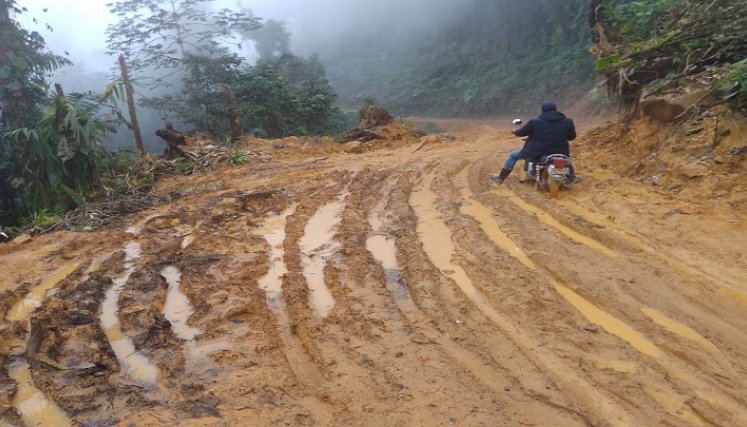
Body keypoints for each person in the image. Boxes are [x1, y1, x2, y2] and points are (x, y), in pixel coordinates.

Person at [491, 101, 576, 184]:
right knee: (565, 160)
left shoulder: (535, 122)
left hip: (537, 152)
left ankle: (500, 178)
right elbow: (572, 137)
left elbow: (521, 133)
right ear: (556, 109)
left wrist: (515, 131)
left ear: (542, 110)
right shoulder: (568, 121)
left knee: (513, 155)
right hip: (560, 151)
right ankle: (572, 177)